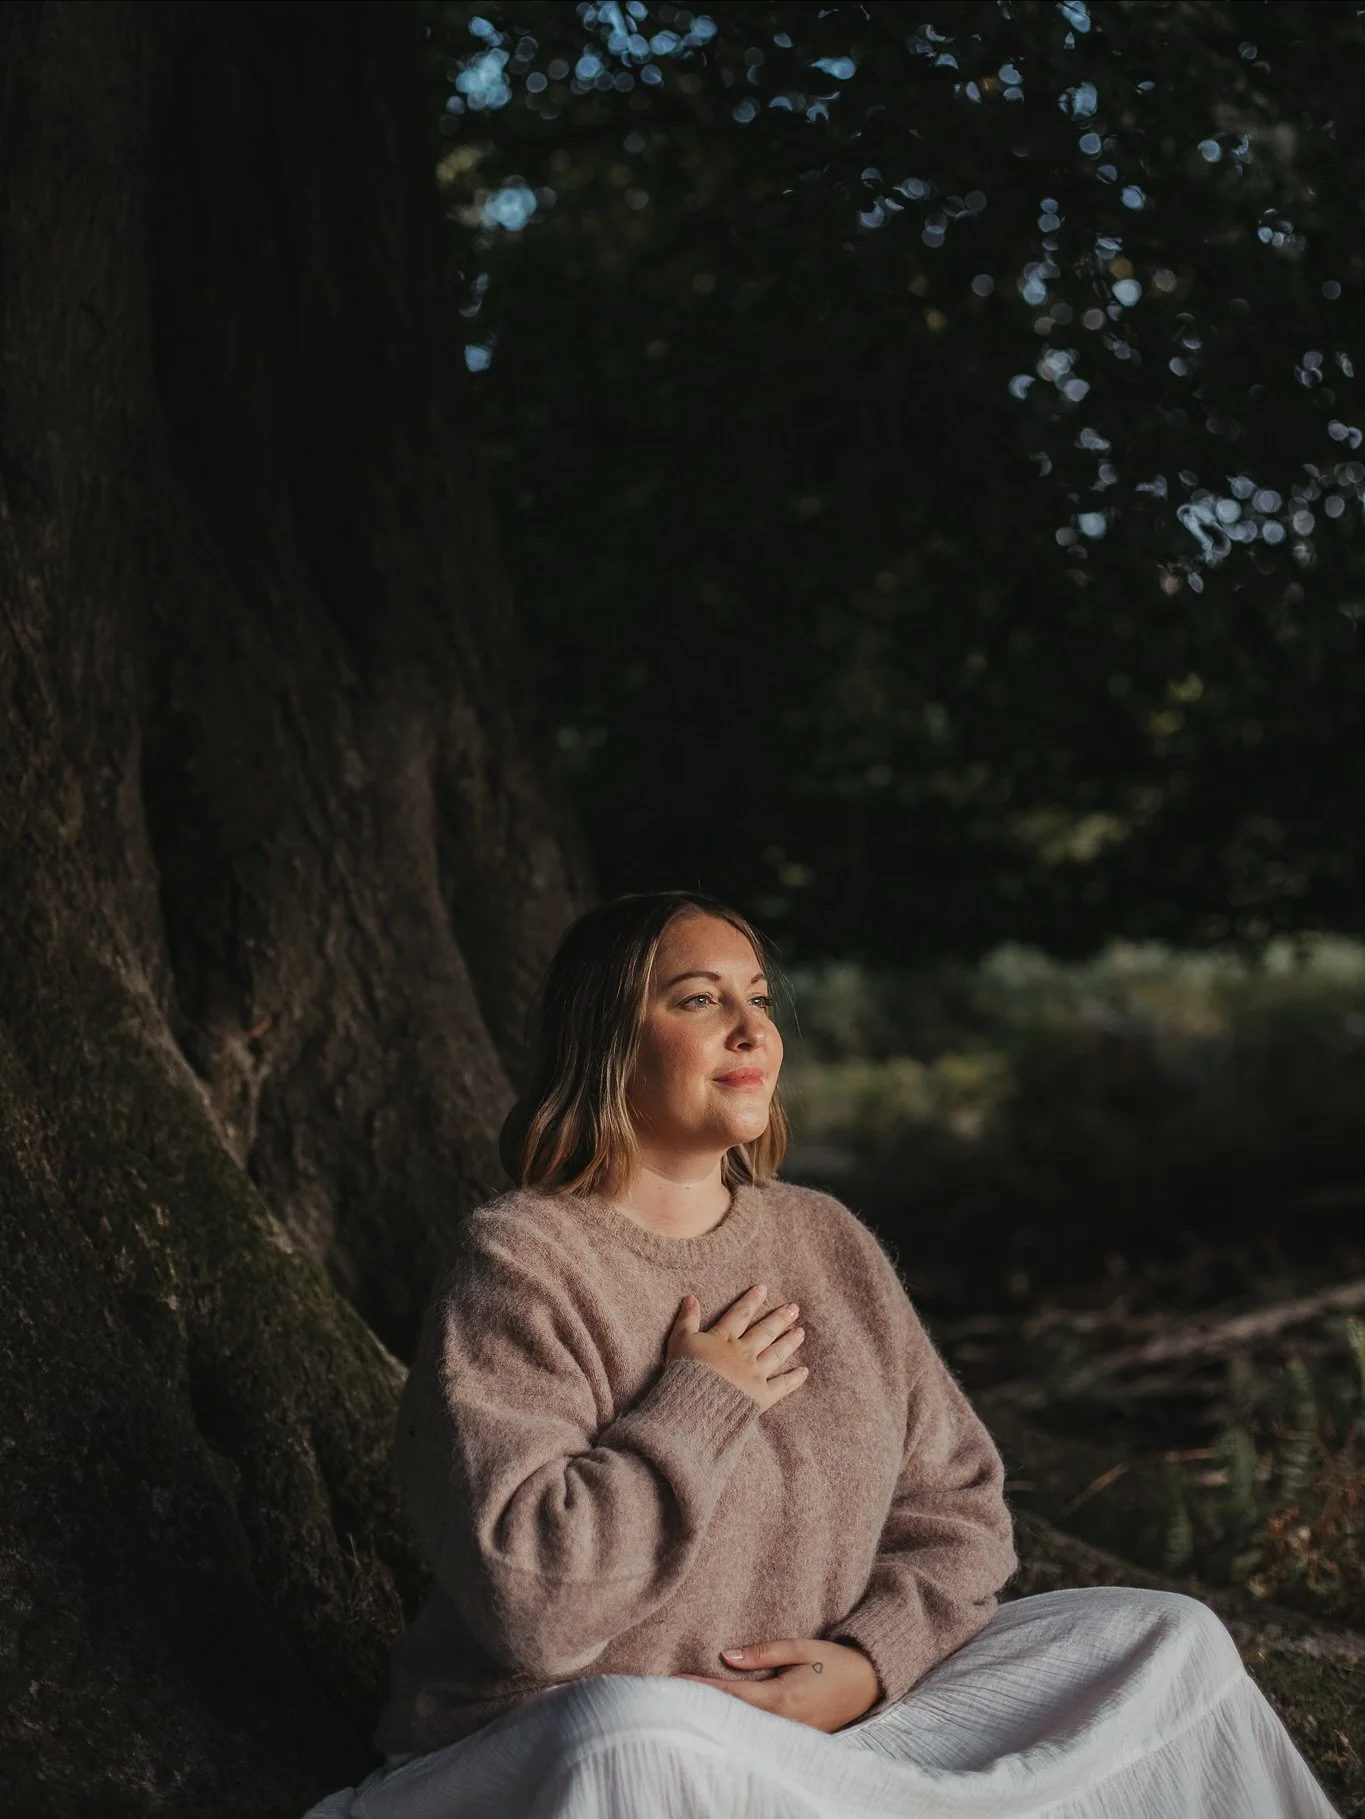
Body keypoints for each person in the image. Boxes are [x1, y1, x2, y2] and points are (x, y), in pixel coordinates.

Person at [305, 890, 1339, 1819]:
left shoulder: (823, 1240)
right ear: (609, 1037)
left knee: (1163, 1639)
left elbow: (962, 1508)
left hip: (832, 1728)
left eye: (759, 999)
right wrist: (698, 1398)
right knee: (636, 1739)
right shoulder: (523, 1258)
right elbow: (535, 1601)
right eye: (701, 1000)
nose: (753, 1028)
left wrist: (863, 1663)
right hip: (572, 1738)